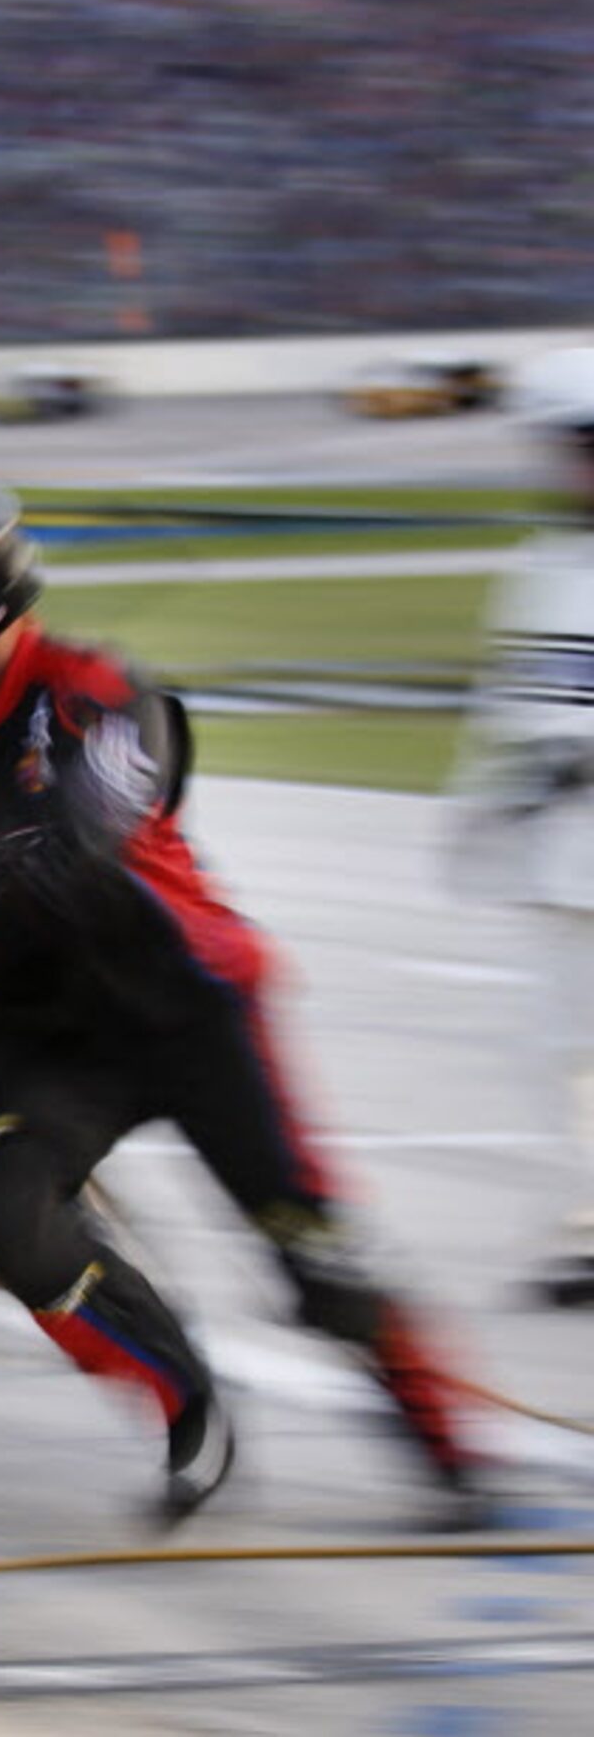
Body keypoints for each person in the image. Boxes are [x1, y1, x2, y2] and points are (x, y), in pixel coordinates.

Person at [0, 479, 485, 1528]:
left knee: (310, 1250)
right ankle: (187, 1407)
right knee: (6, 1223)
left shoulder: (97, 690)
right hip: (55, 1037)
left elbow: (98, 825)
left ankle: (446, 1450)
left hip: (188, 1010)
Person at [450, 347, 594, 1305]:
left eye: (568, 448)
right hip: (562, 863)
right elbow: (514, 702)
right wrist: (484, 806)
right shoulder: (546, 564)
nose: (557, 467)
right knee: (563, 1054)